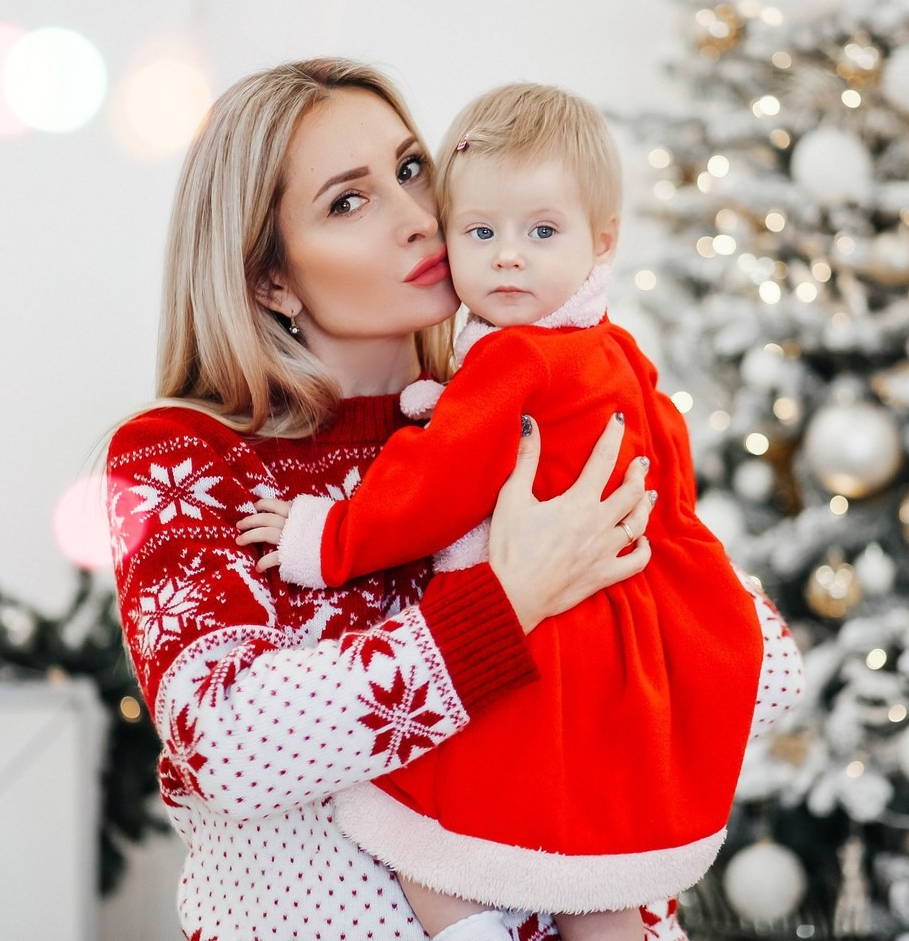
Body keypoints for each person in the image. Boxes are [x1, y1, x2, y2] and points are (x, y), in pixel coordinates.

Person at [105, 58, 674, 941]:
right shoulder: (180, 458)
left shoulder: (537, 404)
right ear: (270, 279)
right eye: (348, 202)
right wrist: (510, 602)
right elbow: (228, 741)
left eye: (412, 170)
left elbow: (755, 672)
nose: (417, 217)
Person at [243, 83, 802, 940]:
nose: (505, 258)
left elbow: (432, 486)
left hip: (553, 661)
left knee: (430, 840)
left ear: (601, 240)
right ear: (272, 279)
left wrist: (327, 534)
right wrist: (681, 602)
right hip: (620, 660)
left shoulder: (514, 363)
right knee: (601, 883)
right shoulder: (614, 352)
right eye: (481, 232)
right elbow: (671, 477)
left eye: (541, 233)